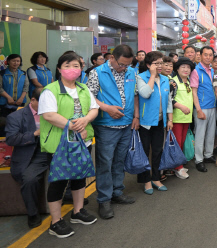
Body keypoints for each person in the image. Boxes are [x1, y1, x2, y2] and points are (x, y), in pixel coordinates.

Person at [39, 52, 99, 238]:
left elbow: (94, 108)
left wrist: (86, 119)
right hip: (60, 145)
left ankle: (77, 212)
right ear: (59, 69)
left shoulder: (83, 88)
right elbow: (49, 114)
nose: (72, 70)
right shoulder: (50, 90)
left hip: (83, 141)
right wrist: (73, 125)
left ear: (81, 69)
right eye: (67, 66)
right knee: (59, 181)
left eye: (76, 66)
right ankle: (55, 222)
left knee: (80, 177)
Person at [87, 44, 139, 219]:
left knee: (119, 161)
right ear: (111, 58)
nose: (124, 68)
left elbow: (135, 95)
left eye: (128, 65)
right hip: (106, 126)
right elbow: (89, 97)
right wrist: (107, 108)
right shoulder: (97, 73)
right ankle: (103, 200)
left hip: (126, 124)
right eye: (121, 64)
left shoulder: (131, 72)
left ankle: (117, 192)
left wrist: (135, 117)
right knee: (105, 163)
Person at [6, 88, 45, 228]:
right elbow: (11, 139)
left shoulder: (52, 113)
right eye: (43, 103)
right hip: (30, 153)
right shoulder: (15, 117)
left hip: (52, 150)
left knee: (75, 163)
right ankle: (33, 213)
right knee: (29, 179)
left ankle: (70, 198)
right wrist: (35, 133)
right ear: (33, 100)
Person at [136, 51, 173, 193]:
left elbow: (168, 101)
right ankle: (146, 181)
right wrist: (152, 75)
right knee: (144, 152)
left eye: (161, 63)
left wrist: (170, 119)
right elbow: (145, 93)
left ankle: (156, 178)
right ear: (148, 65)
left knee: (158, 150)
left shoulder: (165, 79)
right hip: (145, 122)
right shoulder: (140, 77)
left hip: (160, 121)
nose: (159, 66)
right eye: (156, 63)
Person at [190, 46, 217, 172]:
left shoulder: (212, 70)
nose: (208, 57)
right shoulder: (196, 71)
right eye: (205, 55)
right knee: (200, 135)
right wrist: (198, 109)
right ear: (200, 55)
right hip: (202, 107)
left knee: (211, 133)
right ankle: (199, 160)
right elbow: (194, 92)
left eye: (210, 55)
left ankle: (208, 155)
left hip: (212, 106)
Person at [170, 57, 195, 179]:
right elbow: (169, 99)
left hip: (186, 118)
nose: (186, 69)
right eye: (183, 67)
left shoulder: (189, 82)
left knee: (182, 142)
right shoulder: (173, 82)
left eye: (188, 67)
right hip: (176, 118)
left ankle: (178, 164)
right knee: (177, 143)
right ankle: (177, 167)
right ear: (178, 69)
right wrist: (180, 106)